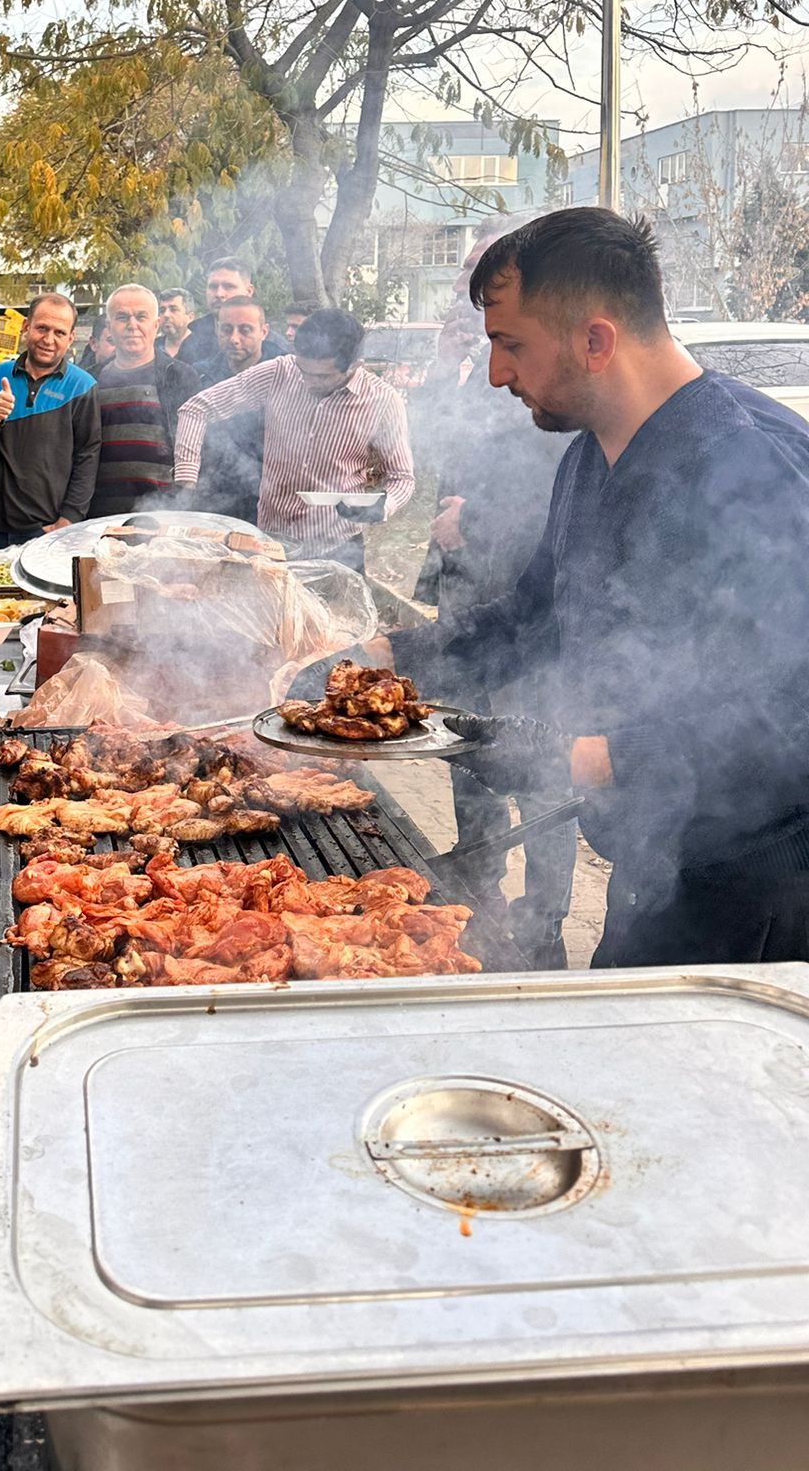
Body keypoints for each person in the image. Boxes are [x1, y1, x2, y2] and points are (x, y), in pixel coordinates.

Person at [394, 206, 809, 969]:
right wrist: (385, 661)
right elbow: (534, 618)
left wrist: (583, 758)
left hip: (762, 908)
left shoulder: (753, 469)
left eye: (511, 345)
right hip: (653, 868)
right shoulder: (590, 456)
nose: (496, 374)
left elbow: (787, 721)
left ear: (595, 340)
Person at [409, 220, 574, 966]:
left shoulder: (549, 375)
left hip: (529, 596)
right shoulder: (480, 360)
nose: (469, 291)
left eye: (484, 271)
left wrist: (472, 519)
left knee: (540, 761)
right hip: (471, 592)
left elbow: (549, 483)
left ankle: (543, 924)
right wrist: (445, 363)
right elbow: (429, 444)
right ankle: (480, 894)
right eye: (465, 278)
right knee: (468, 746)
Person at [173, 307, 414, 565]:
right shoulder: (279, 372)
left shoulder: (383, 400)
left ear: (355, 366)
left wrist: (382, 506)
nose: (309, 382)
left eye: (322, 376)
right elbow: (196, 408)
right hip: (272, 543)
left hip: (338, 547)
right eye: (303, 370)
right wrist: (187, 480)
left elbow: (402, 478)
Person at [0, 293, 101, 546]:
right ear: (26, 327)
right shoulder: (0, 375)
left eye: (59, 332)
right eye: (42, 328)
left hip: (47, 528)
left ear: (70, 338)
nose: (48, 339)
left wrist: (69, 518)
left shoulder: (82, 387)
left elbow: (88, 456)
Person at [88, 285, 202, 519]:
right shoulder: (90, 381)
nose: (132, 325)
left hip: (165, 512)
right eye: (122, 317)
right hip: (101, 514)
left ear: (156, 324)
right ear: (109, 326)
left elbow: (198, 447)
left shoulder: (180, 376)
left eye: (141, 317)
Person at [189, 297, 270, 523]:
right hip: (209, 500)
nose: (234, 339)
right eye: (227, 329)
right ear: (217, 330)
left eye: (245, 330)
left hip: (266, 502)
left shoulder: (283, 377)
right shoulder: (199, 376)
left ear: (264, 331)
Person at [177, 254, 287, 379]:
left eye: (229, 286)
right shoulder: (191, 344)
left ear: (249, 291)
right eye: (213, 287)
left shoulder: (277, 351)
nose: (219, 294)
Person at [156, 288, 194, 361]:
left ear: (190, 317)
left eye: (173, 309)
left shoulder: (203, 348)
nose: (166, 315)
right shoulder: (152, 349)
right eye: (162, 310)